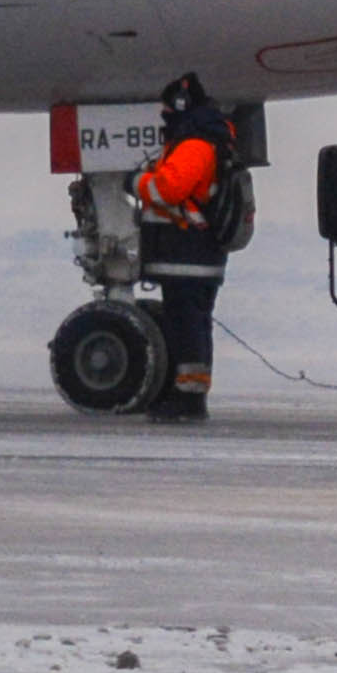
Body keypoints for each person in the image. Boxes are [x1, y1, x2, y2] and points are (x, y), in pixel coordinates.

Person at [129, 72, 247, 420]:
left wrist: (136, 182)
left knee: (188, 325)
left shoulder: (195, 144)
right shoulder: (203, 141)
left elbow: (169, 189)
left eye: (168, 108)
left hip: (188, 253)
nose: (164, 114)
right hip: (190, 255)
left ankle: (189, 398)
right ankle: (187, 391)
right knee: (190, 324)